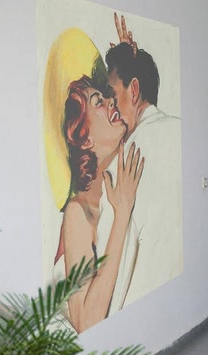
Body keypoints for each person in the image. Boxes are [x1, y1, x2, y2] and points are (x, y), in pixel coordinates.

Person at [101, 14, 182, 314]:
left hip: (140, 307)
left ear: (134, 90)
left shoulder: (126, 160)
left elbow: (117, 271)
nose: (110, 107)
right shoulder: (181, 130)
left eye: (112, 95)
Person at [55, 76, 144, 333]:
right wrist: (122, 213)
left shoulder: (114, 187)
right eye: (99, 102)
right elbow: (86, 323)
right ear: (86, 140)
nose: (110, 101)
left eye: (106, 97)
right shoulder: (78, 211)